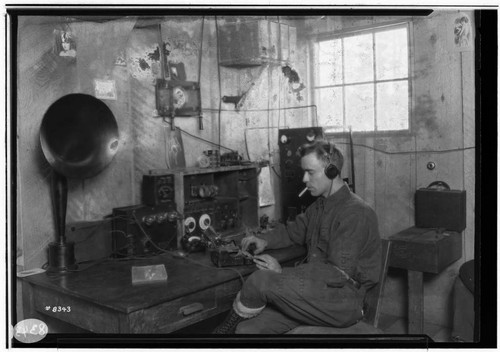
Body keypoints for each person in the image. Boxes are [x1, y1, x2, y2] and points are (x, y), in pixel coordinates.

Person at [213, 140, 381, 334]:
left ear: (332, 172)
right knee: (246, 330)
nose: (304, 179)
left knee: (260, 281)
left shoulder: (355, 213)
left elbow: (336, 273)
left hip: (342, 302)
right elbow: (292, 231)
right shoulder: (318, 207)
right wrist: (265, 241)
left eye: (310, 172)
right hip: (316, 294)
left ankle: (220, 334)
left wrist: (281, 273)